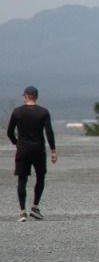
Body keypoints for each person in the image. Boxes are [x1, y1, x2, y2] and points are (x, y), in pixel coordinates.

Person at [7, 85, 56, 222]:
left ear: (26, 96)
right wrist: (53, 150)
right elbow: (49, 132)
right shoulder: (43, 112)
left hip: (23, 150)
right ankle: (35, 207)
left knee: (22, 179)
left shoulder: (17, 112)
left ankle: (22, 212)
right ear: (36, 97)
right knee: (40, 177)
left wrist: (16, 143)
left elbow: (10, 132)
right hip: (38, 150)